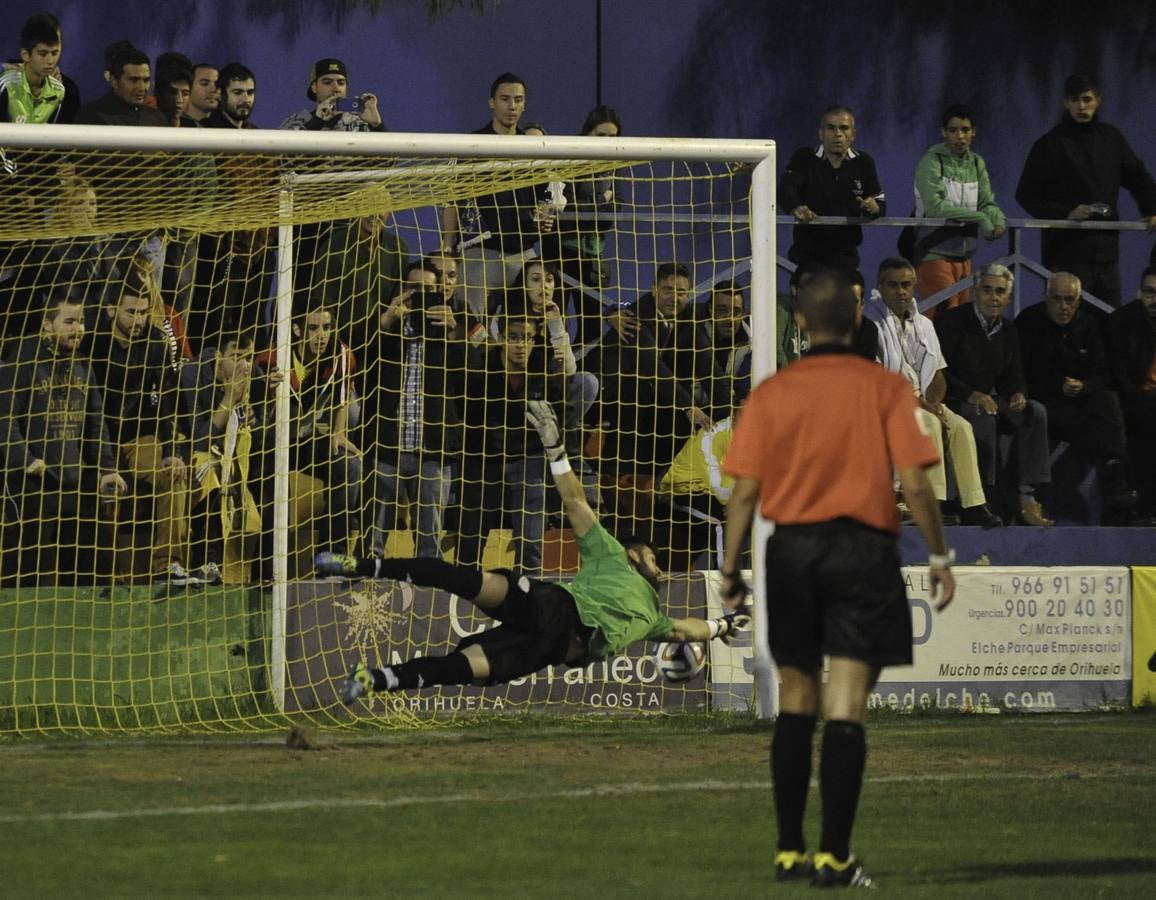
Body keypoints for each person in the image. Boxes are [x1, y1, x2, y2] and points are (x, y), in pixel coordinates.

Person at [718, 271, 955, 888]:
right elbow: (915, 482)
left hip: (791, 551)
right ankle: (834, 856)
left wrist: (730, 568)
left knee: (797, 696)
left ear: (799, 323)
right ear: (856, 320)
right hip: (860, 550)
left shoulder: (772, 392)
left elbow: (744, 491)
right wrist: (939, 556)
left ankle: (789, 850)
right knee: (847, 704)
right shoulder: (883, 387)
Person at [316, 398, 750, 704]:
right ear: (635, 556)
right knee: (460, 578)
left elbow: (686, 631)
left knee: (464, 668)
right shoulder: (612, 555)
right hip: (555, 608)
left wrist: (722, 625)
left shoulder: (653, 617)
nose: (661, 570)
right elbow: (575, 501)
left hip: (551, 650)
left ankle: (376, 679)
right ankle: (363, 564)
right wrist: (556, 450)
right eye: (654, 560)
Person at [0, 290, 128, 584]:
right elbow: (4, 419)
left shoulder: (82, 364)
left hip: (74, 482)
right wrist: (26, 461)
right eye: (69, 322)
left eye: (81, 321)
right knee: (29, 577)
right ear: (47, 324)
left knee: (95, 572)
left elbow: (96, 423)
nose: (78, 328)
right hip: (33, 484)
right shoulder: (23, 360)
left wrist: (107, 468)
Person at [866, 257, 1003, 526]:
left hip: (923, 399)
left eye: (906, 285)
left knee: (961, 427)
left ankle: (973, 504)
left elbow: (938, 374)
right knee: (928, 422)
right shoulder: (870, 324)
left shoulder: (924, 325)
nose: (901, 291)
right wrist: (924, 407)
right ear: (880, 287)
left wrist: (934, 403)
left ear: (915, 286)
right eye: (893, 285)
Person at [1016, 73, 1156, 307]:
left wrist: (1151, 209)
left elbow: (1138, 177)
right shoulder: (1050, 144)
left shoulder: (1111, 139)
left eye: (1086, 99)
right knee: (1069, 316)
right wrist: (1066, 213)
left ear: (1097, 101)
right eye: (1075, 100)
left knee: (1110, 318)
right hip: (1065, 252)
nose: (1081, 106)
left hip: (1107, 253)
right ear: (1066, 103)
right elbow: (1026, 194)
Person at [89, 267, 191, 583]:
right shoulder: (93, 343)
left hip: (139, 439)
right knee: (103, 490)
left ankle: (167, 565)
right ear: (111, 309)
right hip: (96, 439)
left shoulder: (156, 343)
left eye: (144, 313)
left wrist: (170, 451)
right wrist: (104, 459)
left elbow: (169, 398)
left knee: (173, 475)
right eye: (132, 312)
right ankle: (106, 575)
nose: (139, 320)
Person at [934, 264, 1055, 526]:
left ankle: (1027, 497)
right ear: (975, 293)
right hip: (953, 398)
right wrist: (970, 394)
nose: (994, 297)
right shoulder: (951, 322)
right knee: (983, 413)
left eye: (1000, 292)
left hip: (986, 398)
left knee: (1035, 411)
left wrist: (1018, 393)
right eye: (987, 290)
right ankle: (982, 498)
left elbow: (1013, 373)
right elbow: (938, 373)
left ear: (1008, 298)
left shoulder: (1009, 330)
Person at [1015, 272, 1141, 522]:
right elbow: (1018, 373)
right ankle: (1114, 489)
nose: (1063, 306)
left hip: (1080, 403)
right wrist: (1056, 387)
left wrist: (1082, 386)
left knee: (1107, 402)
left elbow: (1102, 372)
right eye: (1057, 299)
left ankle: (1117, 491)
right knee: (1098, 427)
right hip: (1043, 402)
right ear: (1046, 298)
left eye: (1069, 300)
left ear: (1079, 301)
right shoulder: (1028, 323)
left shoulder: (1089, 325)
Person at [361, 260, 465, 559]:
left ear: (440, 292)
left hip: (433, 451)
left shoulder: (453, 327)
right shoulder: (387, 329)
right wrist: (385, 322)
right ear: (402, 290)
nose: (419, 295)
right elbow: (359, 366)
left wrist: (454, 333)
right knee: (372, 546)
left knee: (430, 550)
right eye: (413, 288)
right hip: (387, 449)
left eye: (427, 290)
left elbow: (474, 377)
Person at [456, 305, 564, 575]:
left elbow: (562, 414)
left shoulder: (546, 367)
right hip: (484, 458)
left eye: (527, 337)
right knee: (469, 541)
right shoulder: (480, 367)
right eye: (514, 337)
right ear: (501, 338)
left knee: (531, 544)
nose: (521, 345)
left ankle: (528, 590)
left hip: (529, 456)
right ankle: (466, 586)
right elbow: (465, 413)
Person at [439, 73, 557, 316]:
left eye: (518, 100)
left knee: (533, 321)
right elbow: (452, 199)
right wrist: (447, 244)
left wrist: (546, 214)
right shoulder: (471, 145)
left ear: (524, 105)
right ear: (491, 103)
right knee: (470, 325)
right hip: (479, 252)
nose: (512, 106)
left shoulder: (533, 148)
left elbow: (545, 194)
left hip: (523, 251)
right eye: (505, 99)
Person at [255, 303, 363, 553]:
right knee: (273, 494)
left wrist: (338, 432)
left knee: (350, 466)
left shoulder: (341, 356)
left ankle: (331, 557)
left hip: (305, 441)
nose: (321, 335)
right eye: (313, 328)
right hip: (269, 443)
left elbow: (344, 395)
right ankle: (267, 562)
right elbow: (254, 412)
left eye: (326, 327)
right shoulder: (272, 358)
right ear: (297, 330)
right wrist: (267, 393)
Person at [910, 104, 1006, 315]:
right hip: (933, 252)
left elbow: (986, 203)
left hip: (965, 256)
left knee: (961, 319)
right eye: (953, 130)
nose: (960, 136)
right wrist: (981, 218)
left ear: (973, 132)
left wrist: (998, 220)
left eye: (965, 130)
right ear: (943, 132)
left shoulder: (977, 163)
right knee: (944, 319)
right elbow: (935, 207)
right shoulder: (931, 160)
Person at [778, 105, 885, 273]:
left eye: (844, 128)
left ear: (853, 135)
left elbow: (879, 203)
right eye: (831, 128)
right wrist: (795, 208)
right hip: (806, 255)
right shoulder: (804, 157)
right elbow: (785, 188)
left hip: (846, 256)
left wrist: (873, 207)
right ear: (821, 134)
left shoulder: (864, 162)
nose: (838, 134)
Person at [1106, 267, 1156, 517]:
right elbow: (1118, 373)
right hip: (1132, 399)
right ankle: (1142, 509)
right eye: (1149, 293)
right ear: (1139, 293)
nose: (1155, 300)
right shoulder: (1123, 321)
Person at [74, 42, 168, 126]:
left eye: (146, 80)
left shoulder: (158, 119)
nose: (142, 87)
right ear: (114, 81)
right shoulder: (90, 116)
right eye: (134, 80)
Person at [0, 13, 70, 125]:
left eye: (54, 53)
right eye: (43, 54)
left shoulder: (59, 91)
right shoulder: (5, 84)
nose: (50, 61)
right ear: (25, 55)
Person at [279, 58, 384, 133]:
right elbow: (283, 156)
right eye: (327, 82)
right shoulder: (297, 121)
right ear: (314, 87)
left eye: (341, 83)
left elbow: (387, 158)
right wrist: (316, 122)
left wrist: (377, 126)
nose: (336, 88)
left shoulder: (360, 123)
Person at [202, 63, 256, 129]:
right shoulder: (204, 129)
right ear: (220, 94)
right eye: (237, 93)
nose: (246, 99)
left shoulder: (255, 131)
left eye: (250, 93)